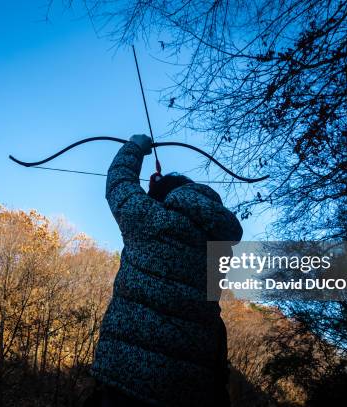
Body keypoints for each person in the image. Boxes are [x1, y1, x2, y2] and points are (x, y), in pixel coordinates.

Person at [88, 134, 243, 407]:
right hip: (191, 391)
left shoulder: (151, 219)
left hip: (125, 380)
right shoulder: (218, 247)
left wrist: (136, 146)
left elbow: (119, 183)